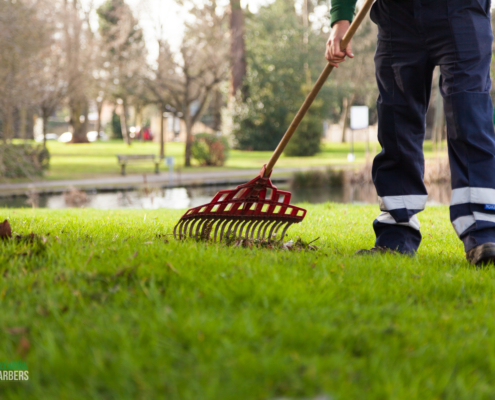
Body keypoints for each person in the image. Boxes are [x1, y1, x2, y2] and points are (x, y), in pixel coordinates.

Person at [326, 0, 495, 265]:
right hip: (397, 17)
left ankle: (484, 233)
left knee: (469, 117)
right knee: (396, 123)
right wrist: (340, 20)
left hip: (461, 9)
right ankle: (396, 233)